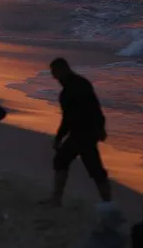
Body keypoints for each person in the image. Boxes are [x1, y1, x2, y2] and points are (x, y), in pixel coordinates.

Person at [45, 57, 111, 206]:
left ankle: (107, 203)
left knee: (93, 170)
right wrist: (101, 127)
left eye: (54, 72)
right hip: (87, 132)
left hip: (82, 134)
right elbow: (96, 108)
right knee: (65, 161)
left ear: (62, 70)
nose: (53, 77)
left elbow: (68, 119)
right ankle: (107, 203)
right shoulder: (83, 83)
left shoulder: (68, 91)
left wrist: (58, 138)